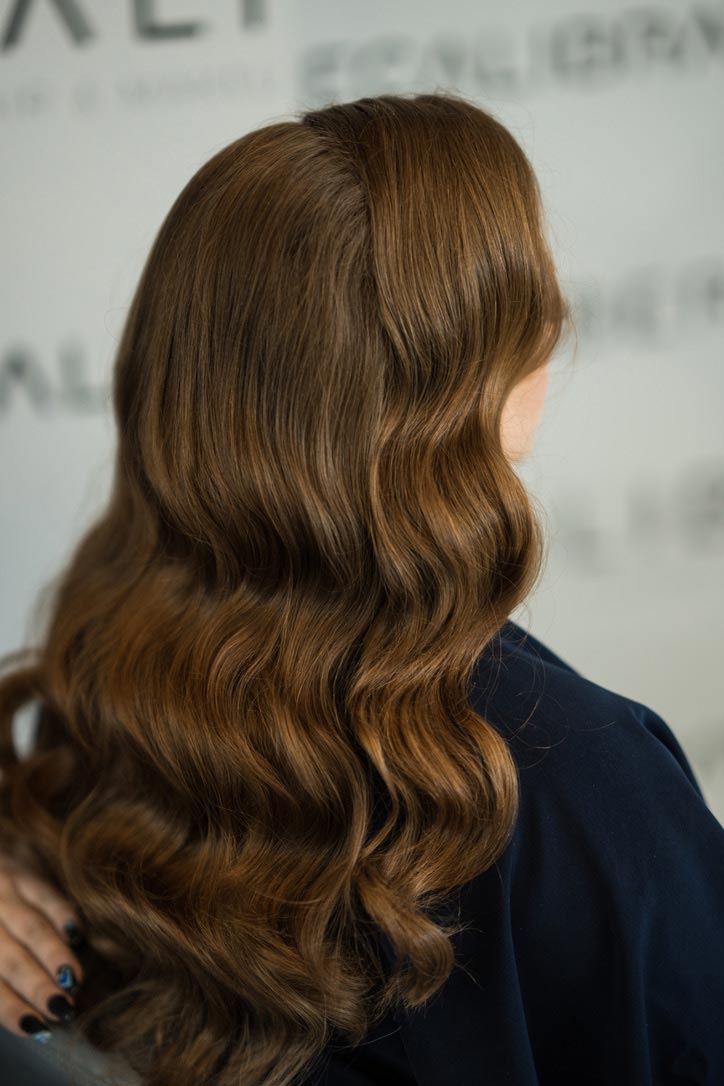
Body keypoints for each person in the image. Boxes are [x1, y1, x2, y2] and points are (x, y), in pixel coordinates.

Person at [0, 91, 722, 1086]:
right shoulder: (585, 784)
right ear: (450, 380)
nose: (556, 318)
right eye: (528, 288)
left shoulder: (107, 672)